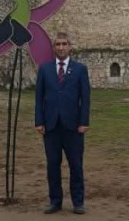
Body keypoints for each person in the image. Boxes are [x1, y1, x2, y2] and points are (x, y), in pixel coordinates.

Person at [34, 32, 91, 214]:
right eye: (57, 44)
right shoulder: (44, 69)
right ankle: (55, 201)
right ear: (53, 47)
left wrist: (84, 122)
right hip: (51, 126)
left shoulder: (80, 69)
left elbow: (85, 98)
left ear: (69, 47)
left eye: (64, 44)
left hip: (73, 126)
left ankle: (78, 202)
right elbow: (39, 98)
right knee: (53, 164)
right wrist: (39, 121)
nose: (61, 47)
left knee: (76, 165)